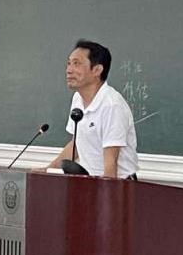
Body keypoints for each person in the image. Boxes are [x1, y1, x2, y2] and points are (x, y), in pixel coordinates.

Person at [47, 39, 138, 179]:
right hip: (89, 183)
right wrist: (47, 170)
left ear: (97, 70)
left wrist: (105, 191)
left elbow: (111, 164)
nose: (69, 70)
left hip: (117, 185)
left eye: (76, 63)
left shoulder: (112, 106)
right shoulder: (78, 98)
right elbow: (76, 145)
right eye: (69, 63)